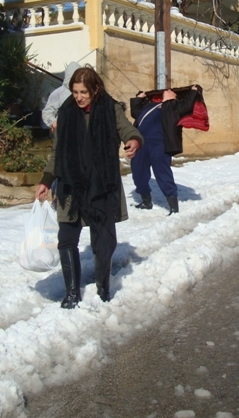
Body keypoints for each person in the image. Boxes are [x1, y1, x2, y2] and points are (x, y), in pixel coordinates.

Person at [35, 67, 143, 308]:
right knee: (66, 239)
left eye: (83, 91)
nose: (79, 97)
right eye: (75, 91)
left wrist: (133, 141)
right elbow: (57, 152)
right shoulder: (66, 112)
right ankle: (72, 292)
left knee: (103, 241)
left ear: (95, 89)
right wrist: (46, 179)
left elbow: (127, 129)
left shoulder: (110, 108)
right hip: (70, 184)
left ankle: (103, 285)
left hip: (100, 183)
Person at [130, 85, 201, 215]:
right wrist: (138, 98)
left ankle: (173, 207)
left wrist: (193, 92)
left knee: (163, 174)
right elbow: (135, 112)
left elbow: (187, 106)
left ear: (175, 96)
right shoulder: (149, 106)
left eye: (170, 91)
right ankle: (146, 201)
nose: (167, 91)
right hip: (142, 144)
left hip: (160, 145)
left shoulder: (174, 106)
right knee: (137, 173)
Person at [41, 62, 81, 134]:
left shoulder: (85, 91)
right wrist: (53, 122)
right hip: (63, 132)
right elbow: (47, 111)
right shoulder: (58, 93)